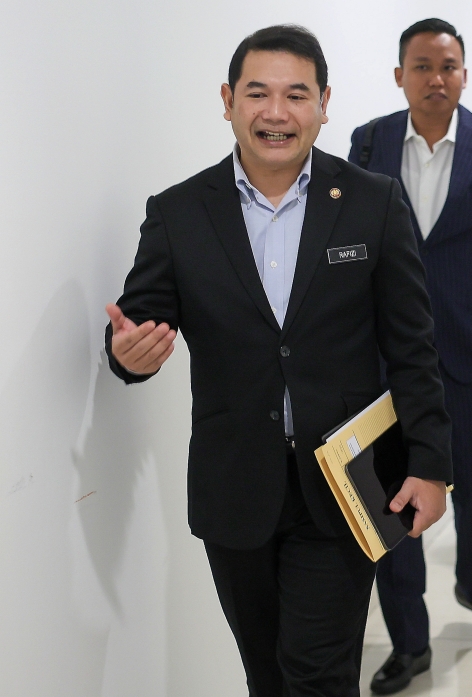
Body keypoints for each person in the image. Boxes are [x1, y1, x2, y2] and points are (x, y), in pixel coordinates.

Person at [104, 25, 452, 696]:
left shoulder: (372, 203)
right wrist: (129, 356)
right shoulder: (179, 213)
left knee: (318, 674)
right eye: (258, 93)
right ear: (229, 101)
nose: (276, 112)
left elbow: (413, 346)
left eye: (297, 95)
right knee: (266, 673)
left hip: (345, 486)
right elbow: (140, 321)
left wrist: (431, 464)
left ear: (324, 104)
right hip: (234, 486)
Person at [347, 18, 472, 695]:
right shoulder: (368, 142)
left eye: (449, 66)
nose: (437, 78)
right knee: (392, 495)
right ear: (399, 74)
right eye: (422, 65)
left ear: (464, 74)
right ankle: (408, 638)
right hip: (381, 363)